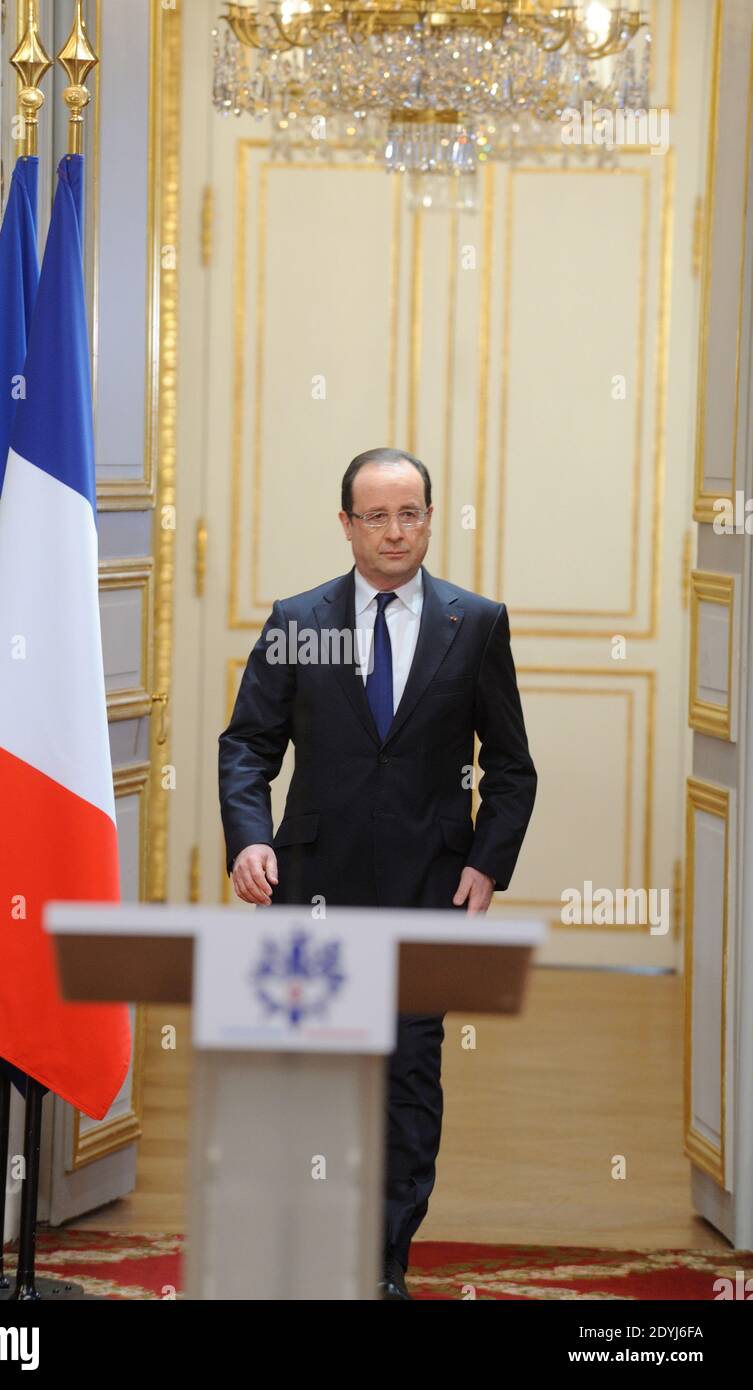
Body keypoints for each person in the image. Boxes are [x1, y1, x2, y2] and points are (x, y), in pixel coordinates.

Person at [219, 446, 537, 1299]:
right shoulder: (300, 618)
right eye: (377, 516)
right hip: (307, 887)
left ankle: (381, 1260)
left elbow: (510, 766)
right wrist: (249, 838)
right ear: (346, 525)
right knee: (303, 1077)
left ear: (430, 519)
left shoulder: (474, 624)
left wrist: (486, 865)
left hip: (423, 894)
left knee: (405, 1080)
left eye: (411, 514)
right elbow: (247, 745)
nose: (396, 532)